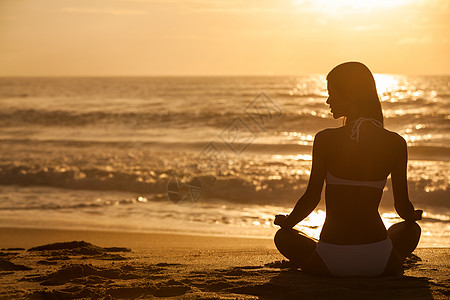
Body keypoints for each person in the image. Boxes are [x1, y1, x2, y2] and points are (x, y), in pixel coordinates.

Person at [273, 62, 422, 277]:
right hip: (379, 260)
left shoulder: (324, 139)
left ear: (350, 97)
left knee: (283, 237)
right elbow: (402, 208)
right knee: (411, 230)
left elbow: (311, 198)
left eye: (332, 94)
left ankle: (321, 256)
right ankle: (385, 259)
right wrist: (413, 215)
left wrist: (288, 222)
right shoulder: (396, 143)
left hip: (330, 260)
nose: (328, 101)